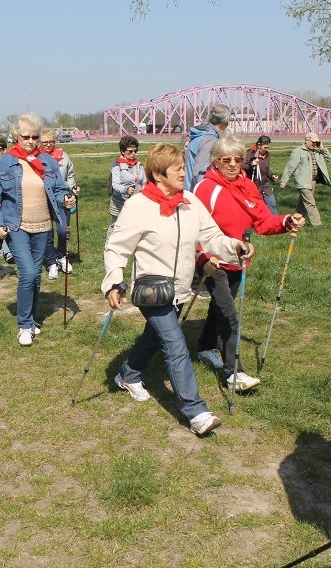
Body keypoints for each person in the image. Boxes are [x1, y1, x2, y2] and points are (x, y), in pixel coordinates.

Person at [102, 143, 254, 435]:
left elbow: (211, 237)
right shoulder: (139, 206)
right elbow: (116, 247)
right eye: (177, 170)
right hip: (152, 290)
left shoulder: (190, 202)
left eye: (183, 168)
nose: (184, 174)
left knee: (155, 336)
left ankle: (128, 375)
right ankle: (195, 411)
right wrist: (113, 281)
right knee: (175, 345)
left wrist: (236, 247)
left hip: (181, 289)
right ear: (158, 175)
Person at [193, 136, 305, 390]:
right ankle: (234, 373)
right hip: (212, 260)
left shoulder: (247, 186)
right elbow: (192, 228)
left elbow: (264, 220)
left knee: (222, 308)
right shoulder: (206, 188)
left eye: (238, 160)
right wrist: (202, 256)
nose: (233, 164)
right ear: (215, 161)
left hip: (238, 259)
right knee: (229, 316)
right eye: (226, 160)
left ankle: (205, 346)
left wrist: (288, 220)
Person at [0, 112, 76, 346]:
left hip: (44, 226)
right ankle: (24, 326)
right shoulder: (5, 161)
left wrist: (66, 197)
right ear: (16, 136)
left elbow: (58, 188)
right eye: (26, 136)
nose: (31, 141)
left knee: (36, 277)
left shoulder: (47, 161)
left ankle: (32, 319)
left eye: (35, 136)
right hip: (17, 226)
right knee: (27, 273)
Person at [40, 128, 78, 280]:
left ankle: (62, 256)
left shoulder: (63, 156)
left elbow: (70, 175)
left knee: (63, 231)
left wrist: (71, 189)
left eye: (51, 141)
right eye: (44, 142)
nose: (48, 144)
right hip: (43, 200)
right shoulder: (37, 158)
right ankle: (51, 262)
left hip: (61, 196)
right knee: (47, 234)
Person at [279, 132, 331, 226]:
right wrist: (284, 181)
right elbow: (290, 167)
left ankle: (295, 221)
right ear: (307, 141)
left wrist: (322, 148)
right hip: (303, 182)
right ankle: (317, 224)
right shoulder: (298, 151)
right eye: (313, 142)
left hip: (313, 181)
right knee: (311, 203)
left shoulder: (317, 151)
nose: (314, 144)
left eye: (316, 142)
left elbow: (328, 158)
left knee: (302, 205)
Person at [107, 135, 145, 241]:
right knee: (116, 227)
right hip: (119, 202)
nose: (133, 154)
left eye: (135, 151)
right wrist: (126, 190)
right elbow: (115, 184)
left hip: (136, 202)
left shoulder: (139, 165)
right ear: (123, 151)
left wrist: (144, 190)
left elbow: (144, 181)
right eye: (130, 151)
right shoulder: (117, 166)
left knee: (135, 228)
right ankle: (109, 249)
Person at [184, 104, 230, 190]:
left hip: (188, 188)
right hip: (195, 194)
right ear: (226, 122)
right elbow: (200, 172)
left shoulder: (199, 135)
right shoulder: (210, 140)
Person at [244, 135, 279, 213]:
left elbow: (266, 169)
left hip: (265, 184)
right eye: (265, 147)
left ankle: (275, 222)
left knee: (271, 203)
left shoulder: (267, 155)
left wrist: (272, 175)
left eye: (268, 147)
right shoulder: (250, 152)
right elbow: (244, 167)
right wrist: (252, 164)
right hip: (254, 184)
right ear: (259, 145)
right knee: (258, 206)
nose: (267, 149)